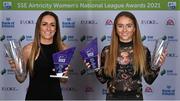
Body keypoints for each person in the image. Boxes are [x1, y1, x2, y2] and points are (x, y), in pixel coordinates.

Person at [86, 11, 167, 100]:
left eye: (129, 26)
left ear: (134, 28)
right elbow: (102, 79)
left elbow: (149, 80)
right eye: (120, 26)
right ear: (115, 29)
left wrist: (157, 65)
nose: (124, 30)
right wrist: (95, 66)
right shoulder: (107, 51)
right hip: (113, 98)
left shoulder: (143, 51)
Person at [8, 11, 68, 100]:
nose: (48, 28)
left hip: (56, 97)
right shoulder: (28, 49)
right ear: (39, 28)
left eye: (52, 25)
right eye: (44, 24)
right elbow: (21, 79)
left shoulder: (63, 49)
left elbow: (63, 80)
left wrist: (64, 74)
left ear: (56, 29)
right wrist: (18, 71)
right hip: (33, 97)